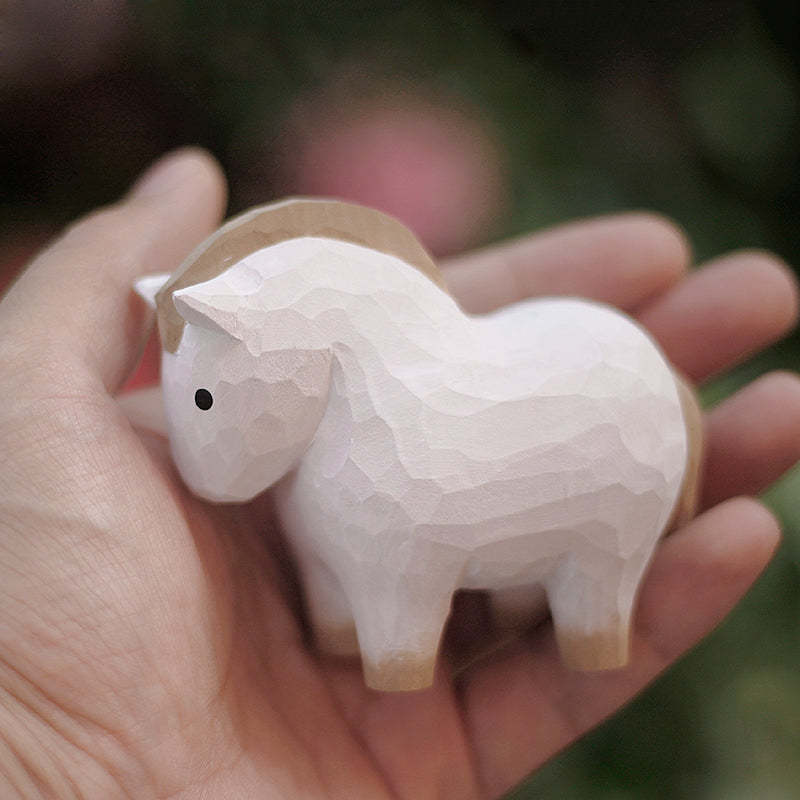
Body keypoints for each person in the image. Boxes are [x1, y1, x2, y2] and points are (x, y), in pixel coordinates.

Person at [0, 148, 798, 799]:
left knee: (478, 566)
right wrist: (41, 744)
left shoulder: (376, 430)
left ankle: (588, 616)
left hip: (602, 436)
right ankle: (389, 633)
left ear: (252, 331)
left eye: (205, 402)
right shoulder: (309, 465)